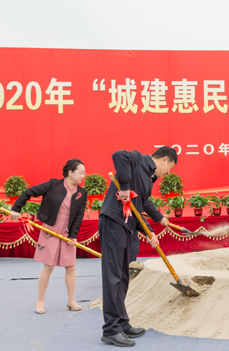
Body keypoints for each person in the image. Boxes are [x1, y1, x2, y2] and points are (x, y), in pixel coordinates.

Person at [99, 146, 177, 347]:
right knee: (113, 277)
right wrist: (124, 187)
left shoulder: (148, 178)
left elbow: (141, 204)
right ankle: (111, 330)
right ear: (164, 159)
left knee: (123, 276)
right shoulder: (138, 160)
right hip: (114, 222)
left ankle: (122, 322)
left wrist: (153, 226)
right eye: (169, 168)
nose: (167, 173)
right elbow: (119, 155)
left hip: (127, 226)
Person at [11, 159, 88, 314]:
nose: (83, 176)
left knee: (71, 266)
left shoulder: (82, 193)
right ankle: (40, 300)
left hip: (67, 233)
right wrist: (16, 208)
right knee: (49, 266)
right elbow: (29, 192)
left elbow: (79, 216)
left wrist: (73, 235)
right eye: (81, 172)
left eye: (84, 173)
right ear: (70, 172)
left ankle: (71, 300)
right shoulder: (53, 184)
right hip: (50, 229)